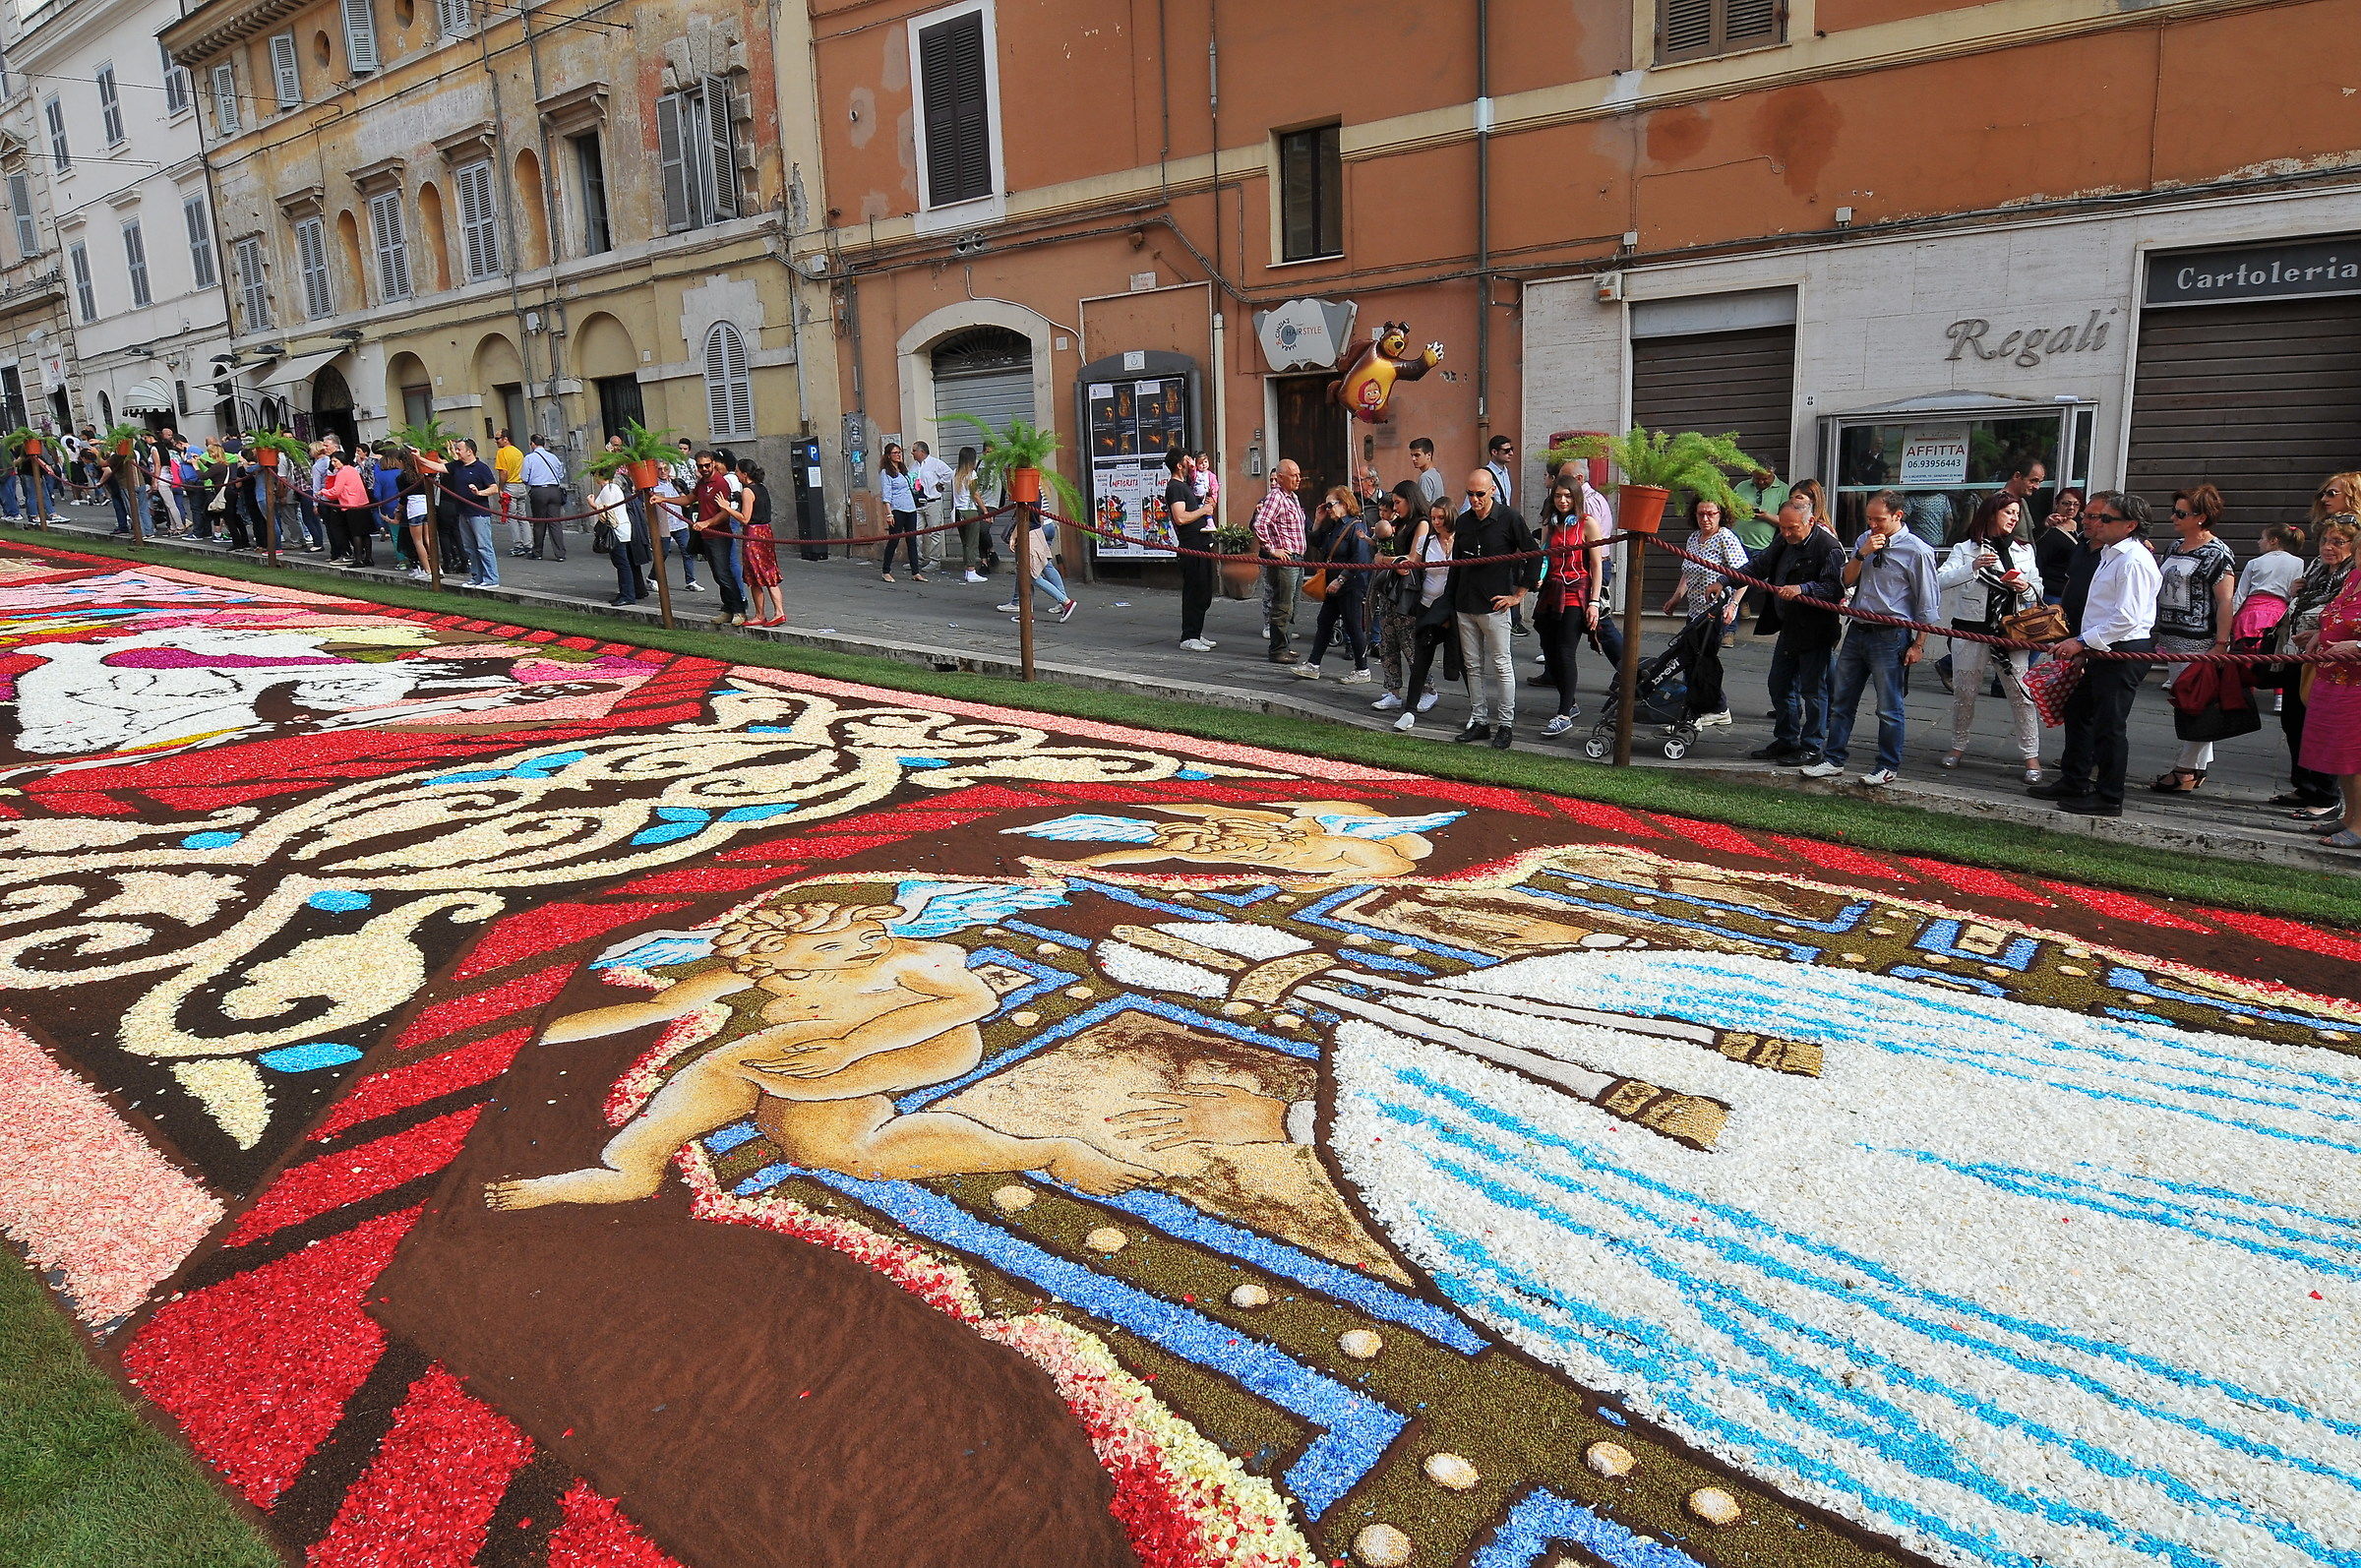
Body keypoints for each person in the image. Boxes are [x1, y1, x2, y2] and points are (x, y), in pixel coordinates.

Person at [483, 896, 1152, 1212]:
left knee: (837, 1153)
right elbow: (659, 1008)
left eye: (791, 975)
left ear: (842, 948)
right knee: (709, 1081)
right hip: (807, 1048)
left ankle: (1050, 1148)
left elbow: (970, 1005)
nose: (776, 985)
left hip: (907, 1049)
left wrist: (848, 1046)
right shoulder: (781, 960)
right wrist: (526, 1033)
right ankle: (629, 1170)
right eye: (769, 976)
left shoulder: (918, 959)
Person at [2030, 492, 2160, 817]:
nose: (2098, 523)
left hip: (2123, 649)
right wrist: (2085, 644)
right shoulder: (2111, 553)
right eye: (2097, 517)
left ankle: (2110, 796)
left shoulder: (2131, 559)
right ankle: (2075, 780)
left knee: (2110, 724)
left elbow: (2127, 618)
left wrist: (2082, 643)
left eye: (2106, 519)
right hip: (2103, 646)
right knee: (2079, 709)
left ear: (2130, 525)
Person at [1805, 490, 1939, 786]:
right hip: (1858, 627)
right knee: (1842, 700)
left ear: (1897, 516)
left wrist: (1918, 644)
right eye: (1869, 518)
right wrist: (1862, 553)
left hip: (1890, 634)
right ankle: (1833, 758)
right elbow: (1846, 581)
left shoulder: (1917, 551)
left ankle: (1887, 764)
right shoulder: (1864, 540)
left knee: (1888, 706)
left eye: (1879, 519)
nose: (1873, 524)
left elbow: (1927, 604)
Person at [1937, 492, 2045, 780]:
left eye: (2017, 513)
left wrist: (2026, 588)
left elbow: (2038, 588)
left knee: (2022, 696)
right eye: (2009, 512)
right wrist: (1971, 567)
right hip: (1970, 630)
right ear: (1992, 513)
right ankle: (1958, 747)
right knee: (1964, 693)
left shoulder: (2024, 550)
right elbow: (1939, 580)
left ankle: (2031, 758)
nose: (2014, 518)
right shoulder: (1965, 548)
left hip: (2011, 632)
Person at [2148, 482, 2239, 792]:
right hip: (2171, 637)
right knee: (2189, 704)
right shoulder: (2175, 546)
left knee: (2195, 705)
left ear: (2200, 517)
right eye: (2174, 512)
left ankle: (2185, 769)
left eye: (2180, 513)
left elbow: (2226, 601)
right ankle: (2194, 769)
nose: (2173, 517)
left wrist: (2221, 644)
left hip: (2200, 641)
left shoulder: (2218, 553)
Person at [1744, 494, 1846, 766]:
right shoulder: (1783, 540)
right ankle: (1787, 739)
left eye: (1793, 528)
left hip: (1816, 630)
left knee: (1814, 692)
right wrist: (1725, 580)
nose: (1787, 533)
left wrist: (1803, 589)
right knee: (1779, 685)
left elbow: (1835, 588)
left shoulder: (1828, 547)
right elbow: (1760, 564)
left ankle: (1812, 746)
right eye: (1783, 528)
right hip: (1788, 626)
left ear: (1810, 521)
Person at [1448, 468, 1540, 749]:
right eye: (1470, 494)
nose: (1474, 499)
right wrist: (1450, 604)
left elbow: (1534, 555)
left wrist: (1518, 595)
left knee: (1502, 664)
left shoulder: (1509, 518)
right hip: (1466, 603)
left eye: (1479, 494)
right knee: (1473, 666)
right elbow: (1455, 566)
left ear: (1492, 492)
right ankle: (1479, 720)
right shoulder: (1463, 522)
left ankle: (1506, 724)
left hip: (1496, 605)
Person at [2277, 516, 2353, 818]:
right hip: (2297, 651)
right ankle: (2304, 785)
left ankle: (2326, 795)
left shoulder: (2352, 577)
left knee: (2319, 723)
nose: (2328, 547)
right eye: (2324, 541)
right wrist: (2296, 591)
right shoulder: (2316, 570)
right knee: (2293, 720)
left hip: (2330, 659)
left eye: (2338, 542)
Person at [2294, 527, 2361, 848]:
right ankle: (2350, 816)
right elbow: (2334, 616)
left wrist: (2358, 644)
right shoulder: (2353, 579)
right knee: (2340, 756)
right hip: (2333, 678)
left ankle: (2360, 826)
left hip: (2356, 684)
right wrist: (2318, 636)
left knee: (2356, 757)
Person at [1533, 483, 1600, 735]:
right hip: (1551, 589)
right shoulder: (1550, 524)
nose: (1562, 500)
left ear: (1576, 498)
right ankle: (1569, 702)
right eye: (1558, 496)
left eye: (1568, 496)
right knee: (1549, 650)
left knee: (1565, 650)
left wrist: (1593, 603)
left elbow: (1596, 565)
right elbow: (1544, 556)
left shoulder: (1587, 523)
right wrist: (1538, 577)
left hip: (1576, 590)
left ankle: (1563, 713)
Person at [1392, 498, 1462, 731]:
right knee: (1421, 660)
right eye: (1433, 518)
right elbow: (1412, 561)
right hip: (1427, 605)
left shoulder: (1462, 539)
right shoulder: (1427, 540)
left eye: (1441, 518)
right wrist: (1398, 563)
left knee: (1463, 660)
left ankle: (1478, 713)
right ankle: (1409, 711)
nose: (1436, 522)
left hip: (1453, 608)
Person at [1664, 498, 1748, 674]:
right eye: (1701, 514)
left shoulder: (1725, 537)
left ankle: (1713, 701)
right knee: (1688, 659)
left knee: (1705, 661)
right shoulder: (1694, 538)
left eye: (1711, 514)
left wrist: (1733, 606)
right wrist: (1676, 597)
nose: (1705, 519)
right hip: (1694, 611)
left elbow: (1743, 576)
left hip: (1715, 612)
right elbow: (1688, 572)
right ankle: (1691, 698)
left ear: (1720, 514)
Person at [1299, 487, 1373, 684]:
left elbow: (1360, 558)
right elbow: (1316, 542)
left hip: (1350, 585)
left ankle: (1362, 669)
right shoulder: (1333, 526)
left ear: (1345, 504)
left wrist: (1340, 580)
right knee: (1324, 621)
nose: (1328, 509)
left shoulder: (1357, 527)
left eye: (1330, 505)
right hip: (1333, 585)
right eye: (1326, 505)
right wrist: (1317, 520)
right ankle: (1313, 664)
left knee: (1353, 626)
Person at [1250, 457, 1308, 663]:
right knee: (1282, 605)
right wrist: (1272, 550)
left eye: (1299, 475)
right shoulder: (1276, 497)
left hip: (1297, 560)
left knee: (1293, 605)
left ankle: (1285, 646)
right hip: (1285, 562)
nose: (1298, 479)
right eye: (1294, 475)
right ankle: (1277, 650)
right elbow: (1260, 524)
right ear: (1281, 477)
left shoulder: (1292, 498)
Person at [1165, 448, 1218, 651]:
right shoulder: (1175, 487)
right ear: (1179, 465)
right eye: (1188, 460)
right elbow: (1180, 517)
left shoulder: (1187, 485)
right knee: (1194, 591)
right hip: (1190, 547)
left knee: (1203, 591)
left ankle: (1196, 632)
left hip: (1202, 545)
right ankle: (1188, 637)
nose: (1192, 463)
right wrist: (1203, 510)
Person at [994, 504, 1077, 623]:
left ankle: (1065, 602)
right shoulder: (1037, 491)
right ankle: (1027, 613)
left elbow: (1024, 517)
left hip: (1029, 534)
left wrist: (1013, 535)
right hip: (1036, 532)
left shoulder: (1027, 493)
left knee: (1031, 576)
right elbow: (1037, 518)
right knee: (1034, 571)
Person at [695, 450, 749, 625]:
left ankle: (739, 610)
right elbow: (689, 498)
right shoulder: (702, 483)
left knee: (724, 573)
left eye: (707, 465)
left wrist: (706, 523)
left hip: (719, 535)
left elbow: (725, 514)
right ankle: (728, 608)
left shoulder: (720, 483)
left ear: (713, 464)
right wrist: (663, 499)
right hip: (707, 535)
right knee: (718, 574)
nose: (704, 469)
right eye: (700, 466)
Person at [443, 438, 501, 587]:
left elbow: (494, 488)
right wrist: (418, 457)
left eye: (459, 449)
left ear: (469, 451)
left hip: (478, 513)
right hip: (463, 512)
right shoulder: (456, 466)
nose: (456, 452)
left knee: (483, 546)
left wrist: (479, 493)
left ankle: (491, 579)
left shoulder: (481, 468)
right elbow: (438, 467)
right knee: (470, 547)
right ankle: (477, 577)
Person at [739, 457, 783, 628]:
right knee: (769, 571)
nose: (736, 475)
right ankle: (779, 611)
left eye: (737, 472)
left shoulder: (747, 491)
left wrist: (727, 508)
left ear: (744, 474)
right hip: (766, 532)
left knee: (754, 575)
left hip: (754, 533)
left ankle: (760, 614)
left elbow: (745, 518)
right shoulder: (762, 488)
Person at [592, 468, 645, 606]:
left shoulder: (609, 489)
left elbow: (607, 511)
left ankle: (628, 594)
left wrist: (592, 504)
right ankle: (625, 592)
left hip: (617, 529)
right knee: (621, 562)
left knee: (622, 563)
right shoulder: (611, 488)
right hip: (621, 529)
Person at [877, 443, 923, 582]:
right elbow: (886, 494)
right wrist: (889, 513)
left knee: (912, 540)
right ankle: (886, 570)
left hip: (910, 508)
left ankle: (916, 572)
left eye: (899, 452)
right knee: (894, 540)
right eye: (895, 453)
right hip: (897, 509)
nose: (898, 455)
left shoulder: (903, 470)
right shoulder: (886, 472)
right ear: (888, 456)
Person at [320, 452, 373, 567]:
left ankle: (358, 559)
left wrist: (323, 492)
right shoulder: (352, 469)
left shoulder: (342, 472)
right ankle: (368, 558)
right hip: (362, 503)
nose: (333, 464)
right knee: (365, 533)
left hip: (351, 505)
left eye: (335, 461)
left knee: (356, 533)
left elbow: (336, 491)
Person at [910, 440, 953, 574]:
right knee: (916, 532)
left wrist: (940, 484)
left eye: (914, 450)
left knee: (935, 532)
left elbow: (950, 474)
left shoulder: (936, 463)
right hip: (918, 503)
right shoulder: (914, 466)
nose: (912, 453)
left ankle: (935, 561)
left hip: (932, 502)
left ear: (921, 451)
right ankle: (917, 558)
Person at [2032, 488, 2084, 604]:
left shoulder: (2082, 526)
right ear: (2057, 504)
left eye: (2076, 504)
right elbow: (2039, 563)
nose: (2071, 508)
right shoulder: (2049, 530)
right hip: (2053, 594)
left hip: (2074, 592)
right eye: (2066, 503)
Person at [522, 434, 568, 560]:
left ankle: (537, 552)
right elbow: (560, 475)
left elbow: (524, 477)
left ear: (532, 444)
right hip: (554, 490)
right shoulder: (553, 457)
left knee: (539, 522)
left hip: (539, 490)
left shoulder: (529, 458)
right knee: (555, 522)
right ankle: (560, 554)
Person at [953, 447, 994, 581]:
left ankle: (967, 569)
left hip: (958, 512)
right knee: (972, 542)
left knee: (965, 543)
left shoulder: (955, 473)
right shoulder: (971, 474)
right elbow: (975, 495)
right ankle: (971, 570)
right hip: (970, 511)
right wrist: (986, 511)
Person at [492, 429, 528, 556]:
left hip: (510, 487)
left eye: (497, 438)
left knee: (512, 517)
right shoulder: (518, 452)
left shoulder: (501, 452)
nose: (495, 441)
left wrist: (500, 488)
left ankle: (518, 546)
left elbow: (503, 473)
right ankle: (528, 544)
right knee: (523, 517)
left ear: (505, 438)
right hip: (521, 485)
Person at [1408, 437, 1446, 510]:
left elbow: (1423, 507)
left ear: (1429, 455)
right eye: (1412, 455)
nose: (1413, 459)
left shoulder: (1425, 477)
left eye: (1417, 455)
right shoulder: (1436, 474)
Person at [1483, 434, 1516, 506]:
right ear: (1494, 452)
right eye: (1506, 450)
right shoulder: (1484, 476)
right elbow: (1468, 506)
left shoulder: (1506, 472)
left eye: (1511, 449)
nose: (1511, 453)